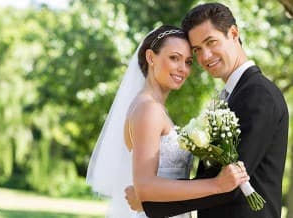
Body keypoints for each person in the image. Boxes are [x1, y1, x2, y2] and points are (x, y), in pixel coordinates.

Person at [127, 3, 289, 218]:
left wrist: (150, 204)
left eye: (211, 42)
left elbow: (232, 183)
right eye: (197, 50)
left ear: (233, 33)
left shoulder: (258, 95)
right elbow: (219, 179)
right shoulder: (235, 94)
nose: (205, 57)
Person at [86, 25, 249, 218]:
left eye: (188, 62)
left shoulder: (151, 107)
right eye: (174, 58)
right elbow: (145, 186)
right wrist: (217, 185)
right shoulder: (148, 109)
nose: (183, 69)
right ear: (150, 57)